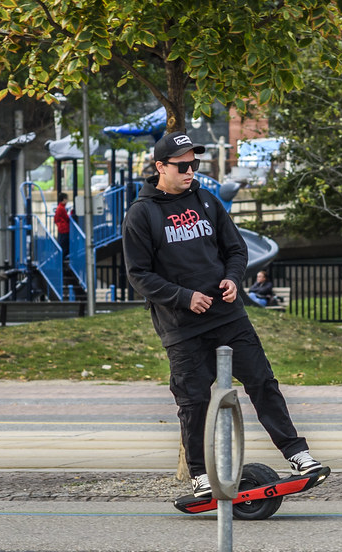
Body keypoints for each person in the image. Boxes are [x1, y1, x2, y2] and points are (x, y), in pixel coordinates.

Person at [122, 131, 323, 498]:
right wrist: (184, 297)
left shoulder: (207, 201)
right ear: (160, 167)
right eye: (182, 166)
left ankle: (298, 454)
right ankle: (200, 474)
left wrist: (232, 278)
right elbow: (139, 275)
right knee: (193, 401)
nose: (190, 172)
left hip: (228, 316)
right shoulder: (142, 213)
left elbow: (235, 249)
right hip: (183, 328)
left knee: (262, 381)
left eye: (194, 164)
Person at [54, 192, 70, 259]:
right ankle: (62, 259)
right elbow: (67, 218)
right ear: (64, 199)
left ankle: (61, 258)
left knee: (62, 244)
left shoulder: (59, 208)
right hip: (64, 229)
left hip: (61, 228)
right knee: (65, 245)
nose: (67, 201)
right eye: (66, 199)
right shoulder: (61, 208)